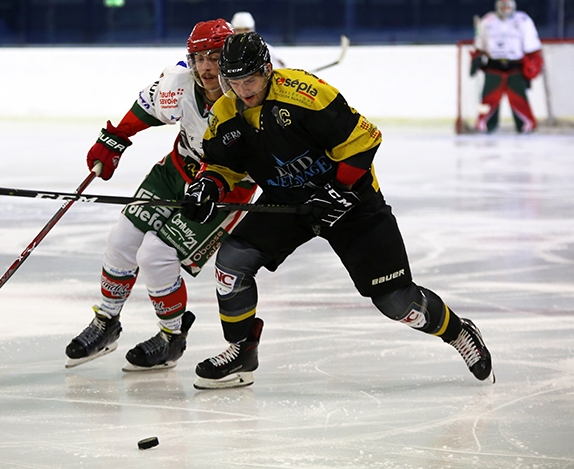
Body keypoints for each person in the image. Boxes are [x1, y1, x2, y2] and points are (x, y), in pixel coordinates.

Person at [180, 32, 495, 390]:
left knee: (397, 302)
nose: (242, 89)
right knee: (232, 262)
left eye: (249, 79)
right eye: (232, 82)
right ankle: (241, 349)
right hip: (289, 202)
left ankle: (458, 332)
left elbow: (364, 138)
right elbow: (222, 167)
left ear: (267, 70)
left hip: (352, 201)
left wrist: (339, 189)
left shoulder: (304, 93)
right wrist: (207, 186)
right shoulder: (225, 114)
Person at [64, 18, 256, 371]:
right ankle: (106, 321)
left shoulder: (248, 94)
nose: (206, 67)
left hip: (225, 187)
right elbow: (147, 108)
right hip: (177, 170)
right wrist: (115, 139)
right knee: (122, 239)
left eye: (214, 57)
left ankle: (172, 337)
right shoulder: (179, 83)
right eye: (199, 58)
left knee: (156, 254)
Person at [470, 0, 543, 133]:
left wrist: (533, 63)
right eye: (502, 6)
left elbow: (532, 46)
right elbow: (480, 44)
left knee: (519, 98)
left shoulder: (523, 20)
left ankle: (524, 124)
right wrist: (477, 57)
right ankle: (485, 124)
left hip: (515, 67)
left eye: (508, 6)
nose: (505, 9)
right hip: (493, 66)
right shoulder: (487, 20)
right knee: (487, 98)